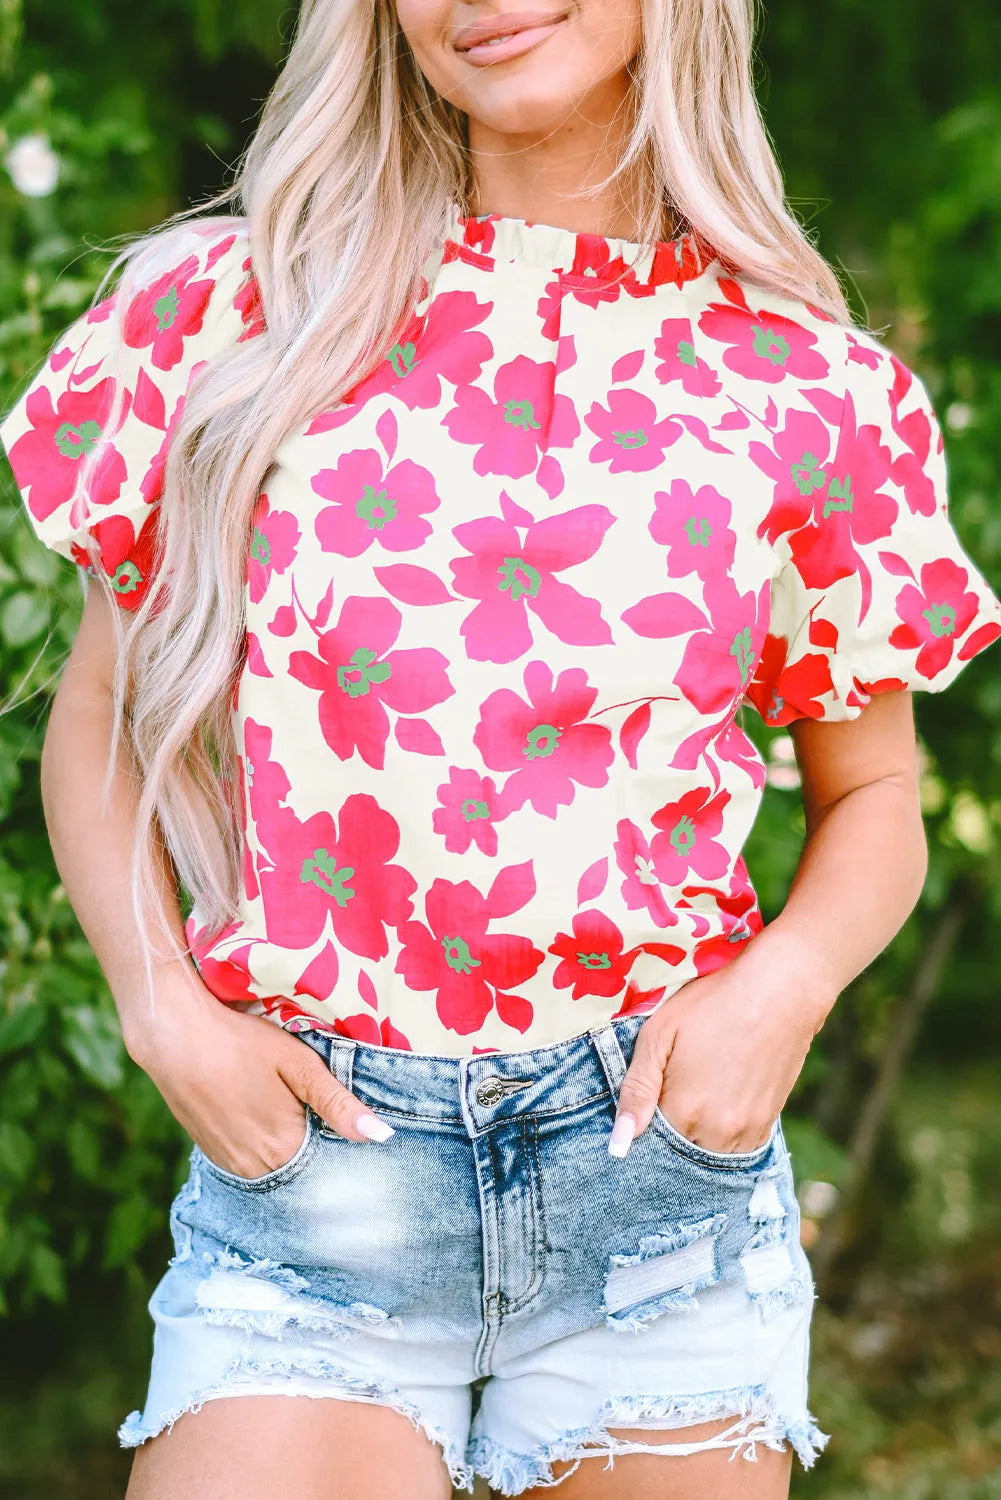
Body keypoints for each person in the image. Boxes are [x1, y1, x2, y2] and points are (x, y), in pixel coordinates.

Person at [3, 0, 1000, 1495]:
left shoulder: (814, 393)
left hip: (657, 1177)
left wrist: (780, 994)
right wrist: (160, 1010)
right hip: (315, 1173)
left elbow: (874, 796)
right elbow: (102, 719)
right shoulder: (225, 311)